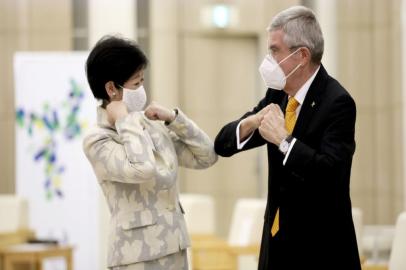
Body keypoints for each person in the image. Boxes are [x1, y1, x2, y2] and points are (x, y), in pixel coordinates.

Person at [214, 6, 360, 270]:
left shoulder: (338, 102)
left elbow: (330, 174)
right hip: (276, 244)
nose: (268, 58)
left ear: (302, 55)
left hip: (320, 248)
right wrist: (251, 122)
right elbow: (222, 144)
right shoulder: (278, 95)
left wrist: (284, 140)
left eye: (274, 50)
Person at [83, 35, 217, 270]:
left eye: (142, 81)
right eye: (136, 84)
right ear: (111, 88)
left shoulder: (150, 125)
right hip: (135, 256)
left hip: (174, 246)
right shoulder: (98, 139)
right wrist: (124, 120)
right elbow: (142, 169)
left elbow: (206, 156)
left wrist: (174, 119)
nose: (141, 90)